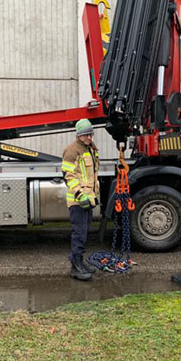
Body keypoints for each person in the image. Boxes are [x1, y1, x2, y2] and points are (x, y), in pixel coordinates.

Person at [61, 119, 101, 281]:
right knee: (79, 234)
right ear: (78, 135)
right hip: (78, 201)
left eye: (90, 134)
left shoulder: (91, 148)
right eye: (85, 135)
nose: (89, 137)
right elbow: (68, 176)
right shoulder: (72, 151)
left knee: (84, 233)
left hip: (88, 199)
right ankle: (75, 267)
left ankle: (81, 263)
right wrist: (80, 194)